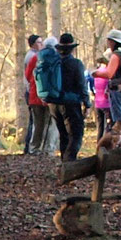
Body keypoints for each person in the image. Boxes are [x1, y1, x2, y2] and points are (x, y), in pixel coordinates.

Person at [38, 33, 90, 161]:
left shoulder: (52, 63)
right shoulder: (75, 64)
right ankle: (69, 162)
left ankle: (64, 163)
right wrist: (87, 104)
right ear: (72, 48)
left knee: (63, 134)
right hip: (70, 103)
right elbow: (81, 85)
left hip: (53, 104)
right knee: (76, 134)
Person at [22, 35, 52, 155]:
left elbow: (29, 76)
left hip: (35, 95)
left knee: (37, 124)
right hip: (47, 96)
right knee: (47, 124)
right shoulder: (34, 57)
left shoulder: (35, 57)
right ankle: (46, 149)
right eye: (39, 42)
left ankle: (34, 148)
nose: (40, 44)